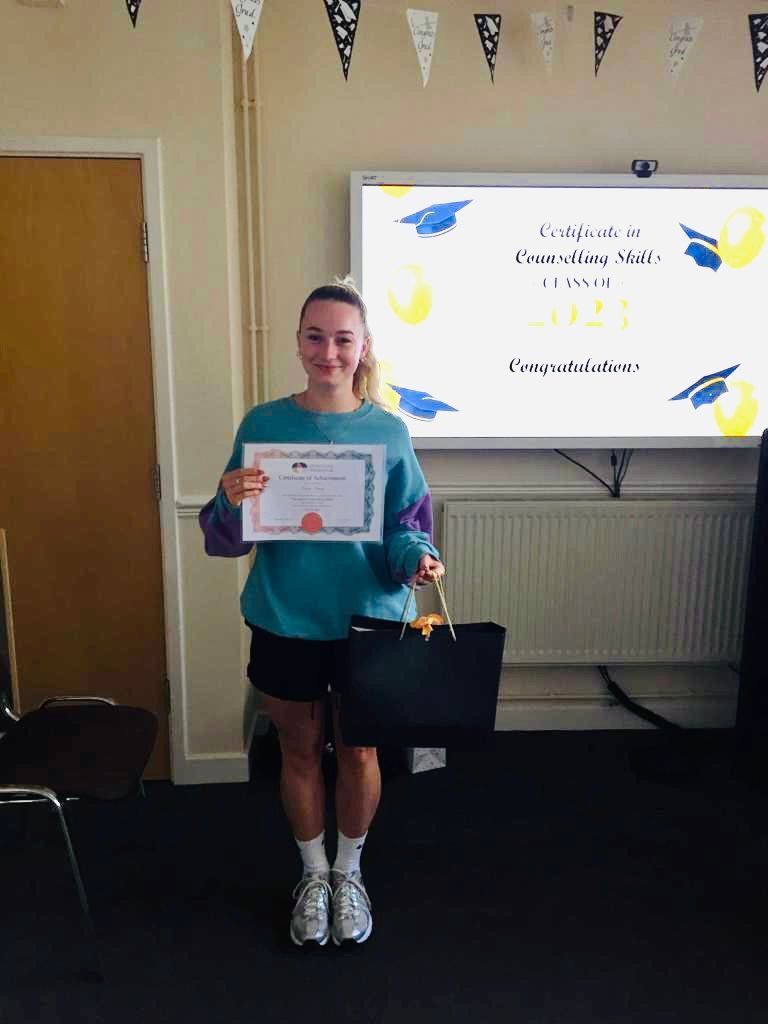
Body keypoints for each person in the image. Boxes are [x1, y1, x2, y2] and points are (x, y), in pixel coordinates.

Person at [199, 277, 445, 948]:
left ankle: (350, 873)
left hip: (369, 620)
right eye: (315, 337)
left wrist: (418, 557)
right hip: (286, 618)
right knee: (300, 750)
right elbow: (228, 537)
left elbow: (404, 530)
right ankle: (313, 876)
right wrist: (228, 499)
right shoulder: (263, 425)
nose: (328, 352)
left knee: (361, 750)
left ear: (364, 346)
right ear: (299, 342)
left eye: (342, 339)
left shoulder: (390, 433)